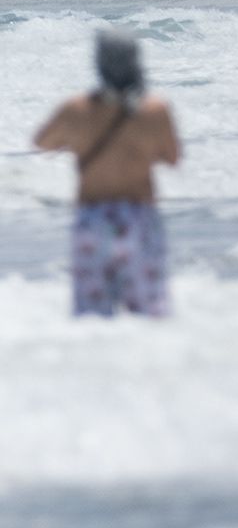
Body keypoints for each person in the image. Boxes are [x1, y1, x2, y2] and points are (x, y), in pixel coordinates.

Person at [33, 30, 181, 317]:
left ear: (99, 63)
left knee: (92, 315)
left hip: (92, 218)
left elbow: (42, 143)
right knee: (150, 313)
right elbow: (172, 158)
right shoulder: (155, 109)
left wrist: (77, 139)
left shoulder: (76, 109)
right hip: (138, 217)